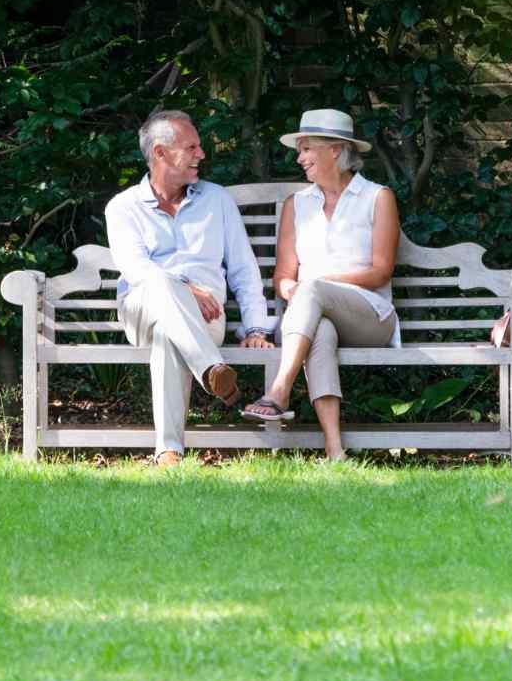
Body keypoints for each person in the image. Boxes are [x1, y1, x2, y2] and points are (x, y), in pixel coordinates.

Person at [105, 109, 274, 467]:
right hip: (141, 310)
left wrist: (256, 327)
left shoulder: (217, 200)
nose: (202, 154)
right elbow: (136, 269)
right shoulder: (123, 208)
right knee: (161, 284)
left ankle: (169, 451)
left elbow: (243, 268)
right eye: (192, 147)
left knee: (170, 335)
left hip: (205, 317)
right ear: (160, 153)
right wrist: (185, 288)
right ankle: (212, 368)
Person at [240, 108, 399, 461]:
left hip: (369, 316)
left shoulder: (378, 197)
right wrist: (292, 290)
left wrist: (316, 285)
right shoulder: (297, 205)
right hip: (310, 317)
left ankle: (279, 390)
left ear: (336, 150)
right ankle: (334, 449)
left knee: (312, 288)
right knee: (320, 331)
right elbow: (283, 276)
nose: (300, 158)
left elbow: (381, 271)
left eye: (307, 148)